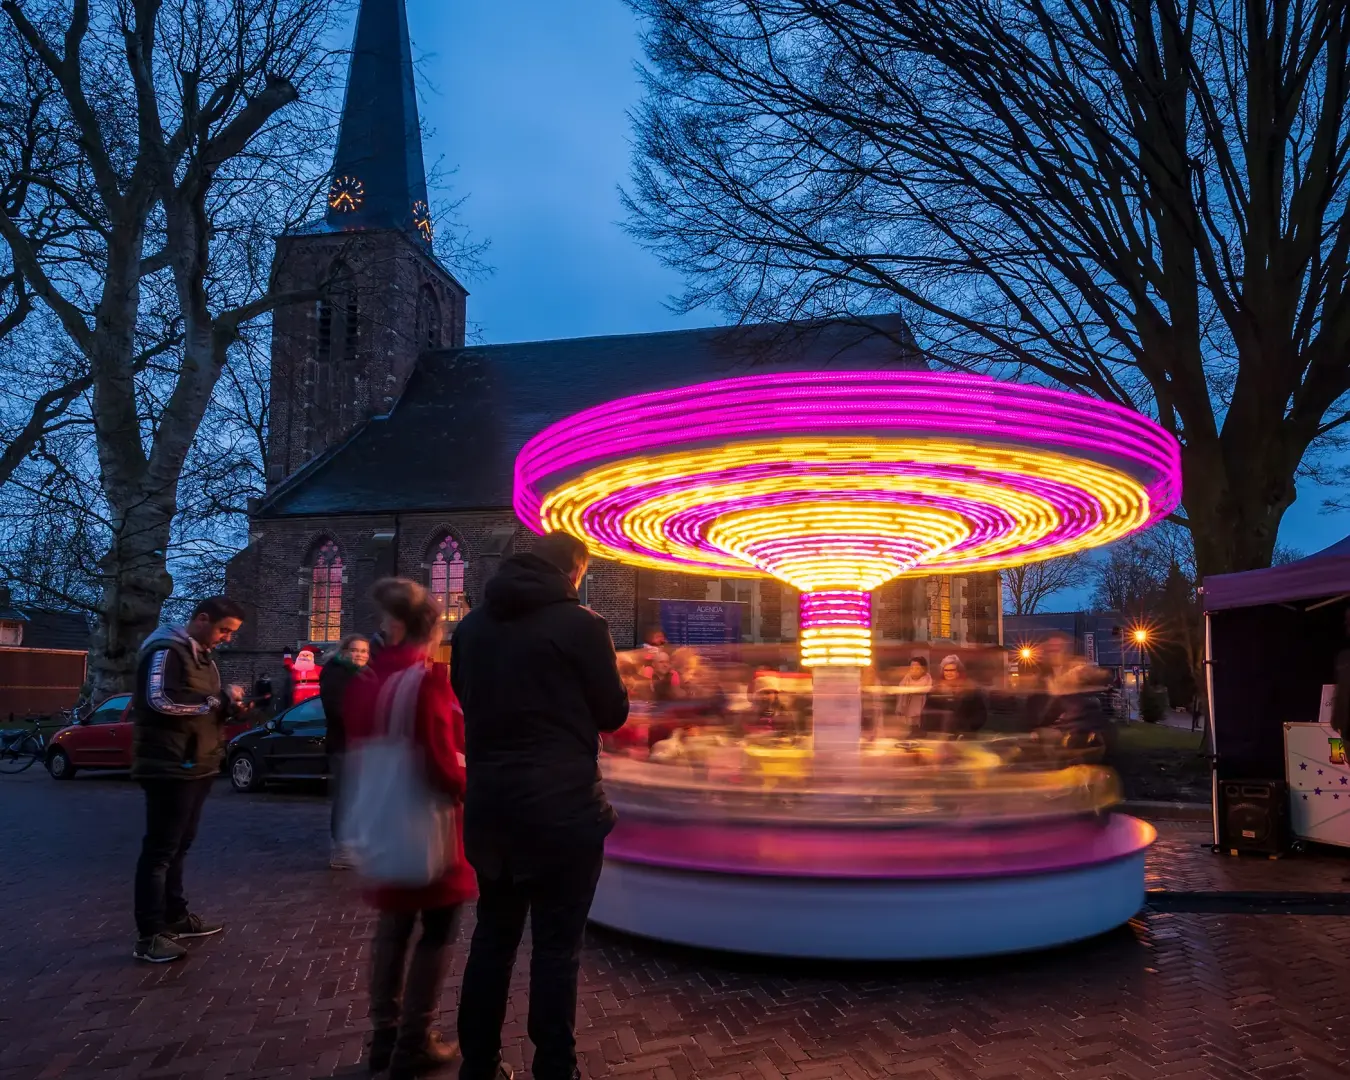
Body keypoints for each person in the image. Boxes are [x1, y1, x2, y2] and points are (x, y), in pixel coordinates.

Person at [451, 532, 629, 1080]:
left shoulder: (471, 628)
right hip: (563, 813)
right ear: (573, 571)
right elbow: (612, 713)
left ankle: (477, 1065)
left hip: (491, 811)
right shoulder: (582, 626)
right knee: (557, 951)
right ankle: (555, 1069)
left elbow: (465, 697)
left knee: (492, 940)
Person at [345, 581, 473, 1079]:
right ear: (432, 629)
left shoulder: (368, 679)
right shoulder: (424, 681)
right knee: (437, 930)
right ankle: (413, 1043)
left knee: (393, 927)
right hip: (426, 826)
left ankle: (384, 1035)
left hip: (381, 821)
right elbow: (442, 767)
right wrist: (471, 783)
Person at [130, 596, 245, 964]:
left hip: (197, 764)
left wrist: (229, 704)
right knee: (161, 850)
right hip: (169, 764)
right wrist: (213, 702)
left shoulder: (203, 658)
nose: (227, 638)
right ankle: (149, 935)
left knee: (180, 846)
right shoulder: (166, 650)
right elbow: (158, 700)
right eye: (224, 630)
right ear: (202, 619)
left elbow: (201, 704)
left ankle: (175, 917)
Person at [319, 633, 370, 870]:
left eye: (364, 651)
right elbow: (338, 710)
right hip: (346, 744)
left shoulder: (360, 674)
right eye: (355, 650)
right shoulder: (336, 673)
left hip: (361, 744)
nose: (360, 655)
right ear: (344, 651)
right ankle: (341, 849)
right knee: (346, 797)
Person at [922, 654, 988, 735]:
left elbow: (980, 715)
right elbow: (926, 716)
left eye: (952, 670)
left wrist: (966, 729)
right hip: (939, 737)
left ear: (958, 672)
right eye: (946, 670)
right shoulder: (935, 691)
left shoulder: (971, 690)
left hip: (965, 737)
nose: (948, 673)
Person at [892, 657, 932, 738]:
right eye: (912, 668)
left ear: (924, 669)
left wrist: (915, 690)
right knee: (911, 723)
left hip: (922, 707)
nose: (914, 670)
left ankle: (920, 733)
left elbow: (927, 690)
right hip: (909, 705)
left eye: (917, 668)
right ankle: (913, 732)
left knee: (919, 722)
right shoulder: (907, 678)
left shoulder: (927, 679)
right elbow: (900, 689)